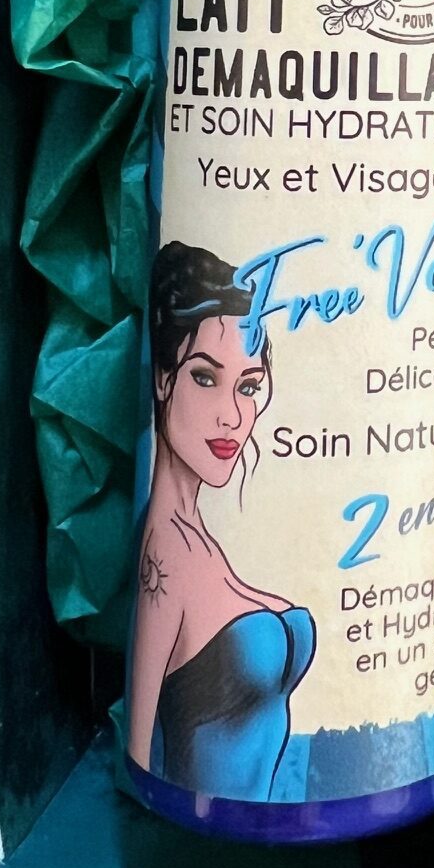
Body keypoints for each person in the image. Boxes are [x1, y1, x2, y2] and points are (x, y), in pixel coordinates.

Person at [126, 241, 314, 799]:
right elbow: (141, 750)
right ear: (164, 378)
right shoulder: (167, 550)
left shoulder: (199, 542)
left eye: (248, 386)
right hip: (198, 833)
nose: (232, 415)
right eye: (206, 377)